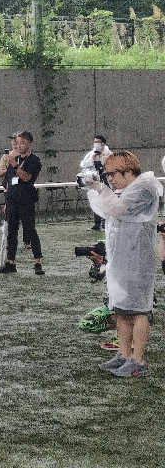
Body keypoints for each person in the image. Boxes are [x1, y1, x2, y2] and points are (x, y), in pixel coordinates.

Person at [85, 151, 162, 377]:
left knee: (139, 310)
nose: (110, 179)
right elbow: (105, 209)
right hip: (121, 259)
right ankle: (124, 354)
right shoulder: (126, 190)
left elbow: (116, 209)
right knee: (121, 310)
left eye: (113, 174)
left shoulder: (144, 187)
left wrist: (100, 189)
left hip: (138, 260)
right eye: (107, 175)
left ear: (129, 171)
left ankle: (138, 361)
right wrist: (95, 189)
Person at [0, 132, 44, 276]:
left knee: (30, 230)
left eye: (22, 142)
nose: (19, 145)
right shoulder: (14, 159)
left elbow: (26, 177)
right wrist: (6, 202)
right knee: (11, 232)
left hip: (26, 201)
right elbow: (9, 182)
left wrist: (14, 164)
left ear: (29, 143)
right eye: (17, 143)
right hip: (12, 201)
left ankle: (38, 262)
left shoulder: (34, 160)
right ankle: (10, 262)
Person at [80, 135, 112, 231]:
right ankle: (97, 223)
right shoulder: (91, 153)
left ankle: (105, 223)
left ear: (103, 143)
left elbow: (110, 166)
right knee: (95, 201)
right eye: (95, 141)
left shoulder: (109, 153)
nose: (96, 143)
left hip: (105, 181)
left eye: (98, 141)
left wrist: (100, 161)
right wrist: (92, 159)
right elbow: (83, 164)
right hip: (94, 181)